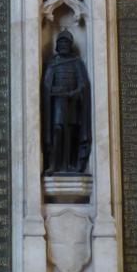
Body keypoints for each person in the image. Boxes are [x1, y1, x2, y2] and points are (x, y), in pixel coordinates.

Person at [41, 29, 91, 174]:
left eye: (66, 43)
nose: (63, 45)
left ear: (70, 45)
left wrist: (73, 93)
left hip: (72, 104)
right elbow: (46, 84)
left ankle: (69, 164)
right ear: (57, 45)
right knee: (57, 130)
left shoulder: (76, 62)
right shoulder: (52, 63)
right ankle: (54, 164)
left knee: (70, 132)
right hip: (57, 104)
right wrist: (53, 91)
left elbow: (82, 84)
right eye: (61, 42)